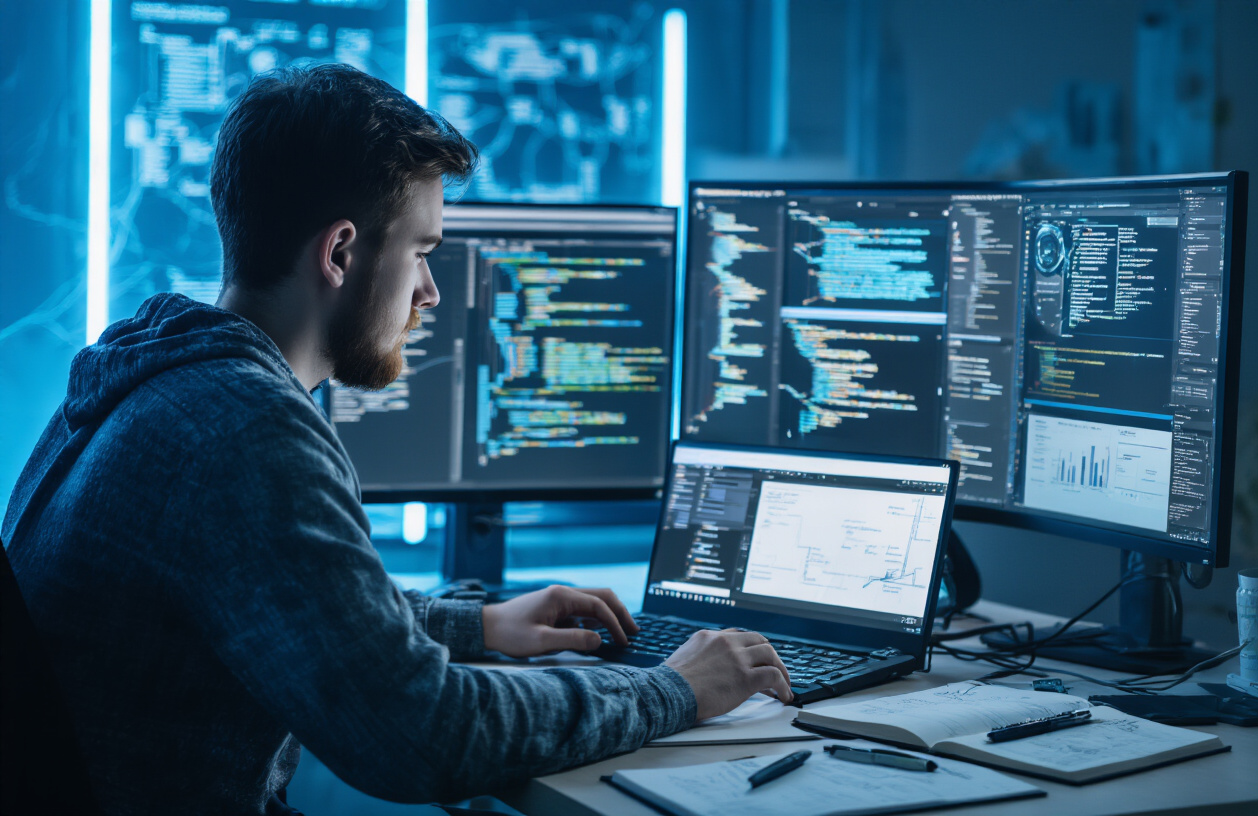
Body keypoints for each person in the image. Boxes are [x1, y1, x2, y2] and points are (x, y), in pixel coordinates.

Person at [2, 63, 791, 815]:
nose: (429, 292)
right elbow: (421, 734)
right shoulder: (245, 432)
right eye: (420, 251)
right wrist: (677, 689)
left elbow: (294, 607)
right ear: (342, 251)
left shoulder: (146, 372)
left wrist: (479, 625)